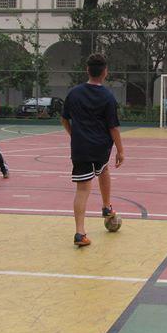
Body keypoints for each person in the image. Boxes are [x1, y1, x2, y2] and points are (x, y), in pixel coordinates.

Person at [61, 54, 124, 247]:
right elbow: (113, 127)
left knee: (83, 189)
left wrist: (74, 135)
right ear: (105, 72)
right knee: (104, 169)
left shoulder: (74, 93)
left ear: (87, 70)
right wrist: (120, 151)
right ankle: (106, 206)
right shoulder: (107, 97)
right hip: (100, 147)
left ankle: (80, 233)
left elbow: (64, 119)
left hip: (80, 148)